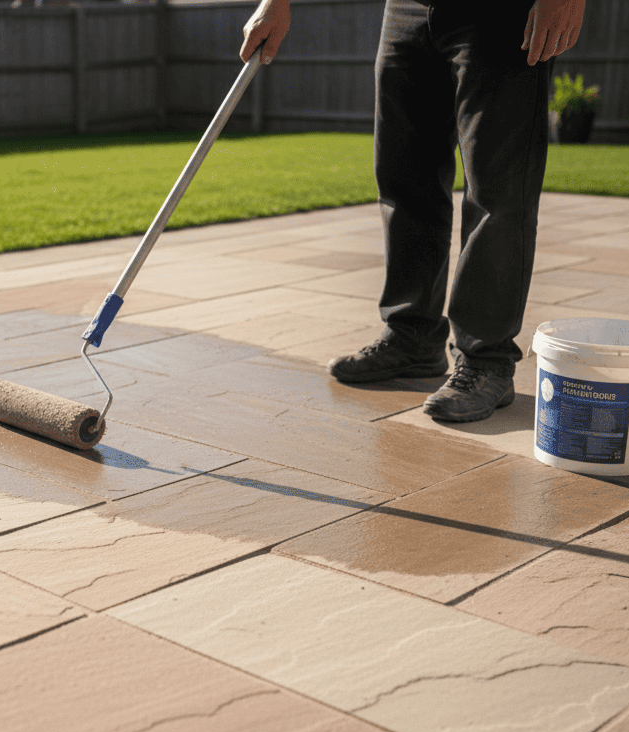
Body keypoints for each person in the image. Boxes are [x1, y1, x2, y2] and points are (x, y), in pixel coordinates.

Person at [241, 0, 586, 422]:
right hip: (407, 7)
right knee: (404, 177)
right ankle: (413, 337)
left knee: (498, 191)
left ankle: (486, 360)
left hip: (502, 11)